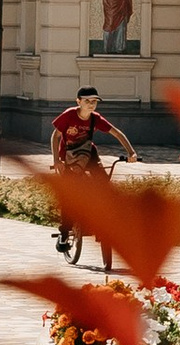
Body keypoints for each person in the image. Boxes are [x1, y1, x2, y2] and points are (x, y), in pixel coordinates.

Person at [49, 84, 135, 265]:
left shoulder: (96, 119)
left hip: (89, 154)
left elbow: (117, 133)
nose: (91, 104)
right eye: (87, 101)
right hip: (69, 156)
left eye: (94, 101)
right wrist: (57, 160)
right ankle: (64, 233)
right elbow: (55, 136)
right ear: (78, 101)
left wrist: (131, 152)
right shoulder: (69, 115)